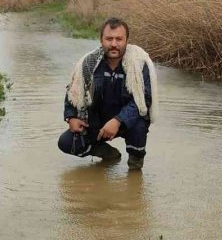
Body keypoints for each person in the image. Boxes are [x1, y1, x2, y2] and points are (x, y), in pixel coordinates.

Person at [58, 17, 158, 170]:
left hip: (127, 123)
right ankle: (110, 155)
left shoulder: (139, 64)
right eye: (109, 39)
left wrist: (118, 120)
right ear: (101, 40)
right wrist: (71, 116)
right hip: (97, 122)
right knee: (66, 142)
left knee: (139, 124)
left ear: (127, 40)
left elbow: (144, 99)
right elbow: (73, 91)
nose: (114, 44)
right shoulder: (88, 63)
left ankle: (135, 168)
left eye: (119, 39)